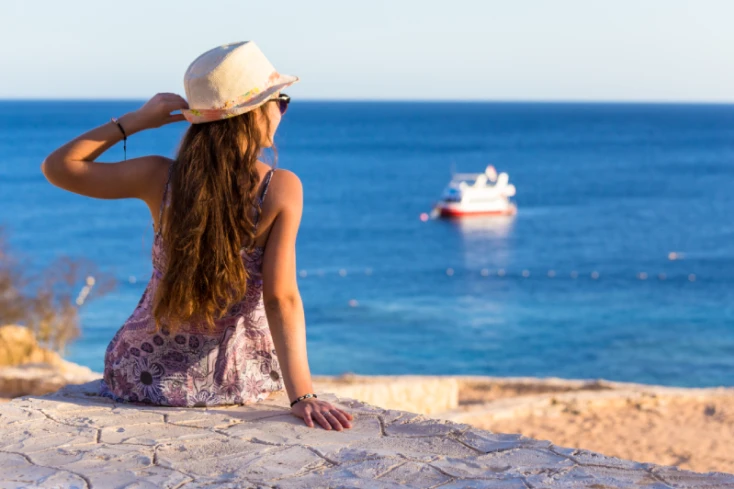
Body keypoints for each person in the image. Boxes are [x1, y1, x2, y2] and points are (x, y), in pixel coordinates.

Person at [41, 41, 353, 431]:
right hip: (231, 380)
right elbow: (281, 297)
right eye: (280, 100)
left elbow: (59, 167)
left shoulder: (159, 177)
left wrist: (136, 120)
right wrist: (303, 395)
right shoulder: (280, 188)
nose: (282, 112)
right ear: (253, 113)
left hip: (137, 374)